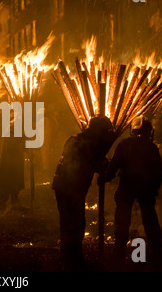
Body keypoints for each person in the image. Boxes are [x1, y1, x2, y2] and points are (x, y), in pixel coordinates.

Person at [52, 115, 116, 270]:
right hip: (70, 188)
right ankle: (72, 261)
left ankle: (68, 258)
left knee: (70, 223)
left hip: (63, 186)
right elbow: (98, 166)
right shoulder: (87, 144)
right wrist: (105, 160)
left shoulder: (77, 139)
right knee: (75, 223)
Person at [101, 116, 162, 259]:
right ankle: (156, 249)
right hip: (145, 187)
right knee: (149, 217)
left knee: (122, 218)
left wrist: (104, 177)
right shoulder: (152, 147)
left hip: (127, 185)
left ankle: (119, 250)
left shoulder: (124, 144)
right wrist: (154, 189)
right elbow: (159, 174)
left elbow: (113, 168)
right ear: (149, 131)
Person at [0, 123, 26, 212]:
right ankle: (1, 205)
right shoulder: (11, 134)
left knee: (15, 185)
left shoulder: (16, 133)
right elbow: (13, 146)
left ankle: (15, 203)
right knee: (6, 184)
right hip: (9, 165)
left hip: (14, 164)